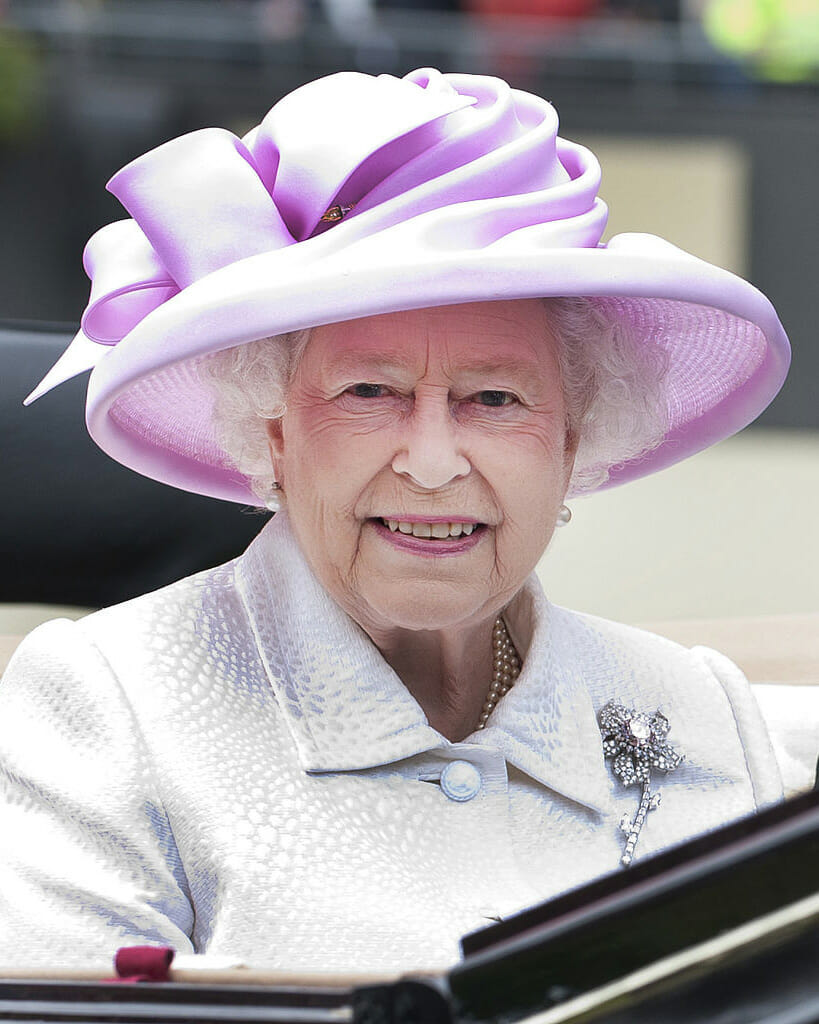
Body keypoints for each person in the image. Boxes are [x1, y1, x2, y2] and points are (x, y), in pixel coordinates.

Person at [0, 68, 813, 972]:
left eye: (495, 397)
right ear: (274, 435)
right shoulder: (106, 710)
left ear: (571, 441)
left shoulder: (703, 711)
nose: (431, 462)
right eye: (369, 392)